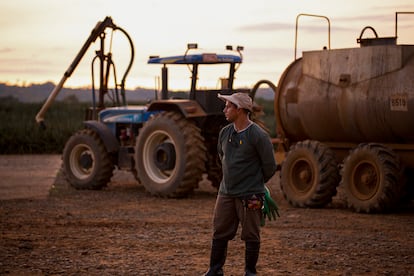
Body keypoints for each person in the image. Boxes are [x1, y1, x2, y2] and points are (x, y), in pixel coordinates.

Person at [204, 92, 277, 276]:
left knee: (251, 234)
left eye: (228, 106)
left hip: (251, 194)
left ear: (240, 110)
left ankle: (250, 272)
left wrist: (256, 185)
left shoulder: (258, 136)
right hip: (226, 193)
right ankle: (214, 270)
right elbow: (223, 157)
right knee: (219, 231)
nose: (224, 109)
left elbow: (269, 166)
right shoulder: (225, 133)